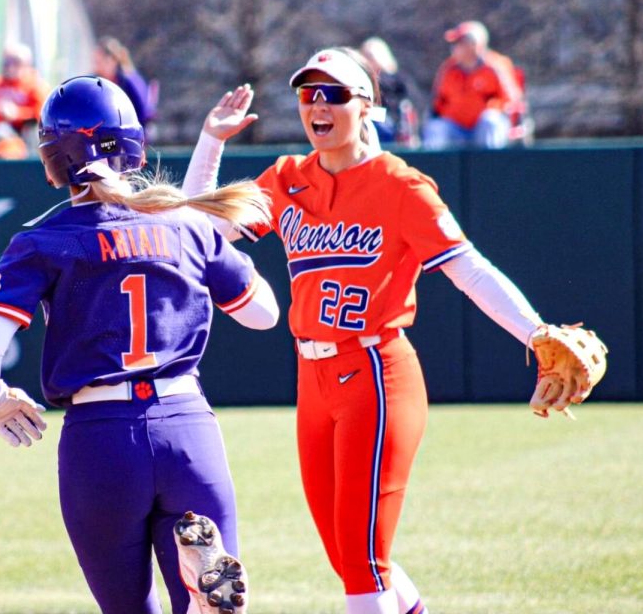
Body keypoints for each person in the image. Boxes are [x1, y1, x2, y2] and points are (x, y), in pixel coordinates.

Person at [184, 48, 597, 614]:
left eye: (334, 94)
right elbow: (194, 230)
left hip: (376, 374)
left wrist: (534, 332)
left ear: (368, 106)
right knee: (345, 555)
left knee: (361, 563)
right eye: (309, 94)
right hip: (312, 378)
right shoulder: (285, 179)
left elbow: (468, 268)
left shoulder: (400, 186)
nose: (318, 105)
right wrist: (212, 140)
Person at [0, 75, 279, 614]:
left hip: (100, 439)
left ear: (52, 156)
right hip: (186, 428)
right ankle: (200, 585)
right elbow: (263, 314)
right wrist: (199, 231)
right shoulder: (185, 226)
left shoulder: (44, 237)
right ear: (132, 143)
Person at [423, 21, 517, 149]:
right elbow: (438, 103)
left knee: (490, 121)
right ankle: (436, 167)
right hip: (458, 128)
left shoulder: (494, 66)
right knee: (436, 127)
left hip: (484, 128)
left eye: (459, 43)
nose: (454, 48)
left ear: (474, 44)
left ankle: (491, 166)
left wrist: (490, 108)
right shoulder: (448, 69)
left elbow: (510, 101)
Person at [359, 36, 419, 146]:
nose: (367, 60)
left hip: (392, 117)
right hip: (369, 115)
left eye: (370, 56)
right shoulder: (359, 79)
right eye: (364, 56)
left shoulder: (396, 79)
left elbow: (407, 102)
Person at [94, 35, 157, 127]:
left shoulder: (129, 82)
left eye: (99, 62)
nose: (96, 67)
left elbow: (143, 115)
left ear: (112, 60)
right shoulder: (96, 81)